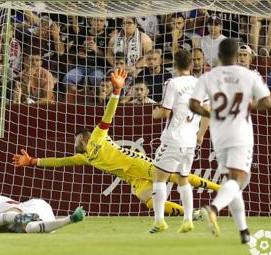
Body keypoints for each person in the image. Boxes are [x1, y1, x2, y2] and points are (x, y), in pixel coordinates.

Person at [13, 68, 220, 216]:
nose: (75, 144)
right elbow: (60, 162)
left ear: (85, 138)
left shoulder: (97, 136)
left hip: (139, 164)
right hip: (133, 179)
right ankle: (194, 215)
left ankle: (220, 188)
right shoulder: (86, 158)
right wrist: (33, 161)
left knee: (176, 177)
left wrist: (117, 91)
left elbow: (109, 114)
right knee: (150, 202)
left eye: (77, 140)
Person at [189, 38, 271, 244]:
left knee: (232, 182)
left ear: (218, 55)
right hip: (240, 133)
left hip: (219, 135)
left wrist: (213, 113)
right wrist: (248, 106)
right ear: (237, 56)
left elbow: (193, 104)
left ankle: (244, 233)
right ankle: (214, 208)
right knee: (238, 181)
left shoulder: (208, 77)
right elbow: (267, 102)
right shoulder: (248, 75)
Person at [149, 50, 209, 234]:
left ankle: (159, 221)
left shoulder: (172, 83)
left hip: (173, 139)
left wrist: (155, 113)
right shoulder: (200, 83)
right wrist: (200, 135)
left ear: (175, 65)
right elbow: (208, 111)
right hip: (190, 141)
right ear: (191, 65)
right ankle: (188, 220)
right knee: (183, 178)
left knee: (159, 177)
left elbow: (165, 112)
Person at [0, 191, 85, 233]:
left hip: (34, 207)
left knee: (5, 217)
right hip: (42, 218)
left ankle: (27, 218)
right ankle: (71, 218)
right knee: (30, 229)